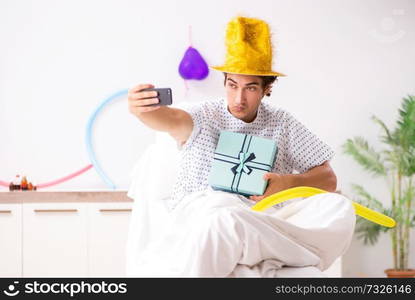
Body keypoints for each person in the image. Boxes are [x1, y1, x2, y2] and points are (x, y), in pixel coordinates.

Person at [126, 16, 355, 277]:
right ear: (224, 82)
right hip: (210, 213)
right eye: (232, 85)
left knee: (338, 208)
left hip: (261, 220)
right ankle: (275, 253)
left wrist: (287, 183)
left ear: (267, 89)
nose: (238, 98)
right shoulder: (203, 116)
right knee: (224, 220)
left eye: (251, 88)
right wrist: (140, 109)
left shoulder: (282, 122)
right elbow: (167, 118)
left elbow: (328, 179)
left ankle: (258, 252)